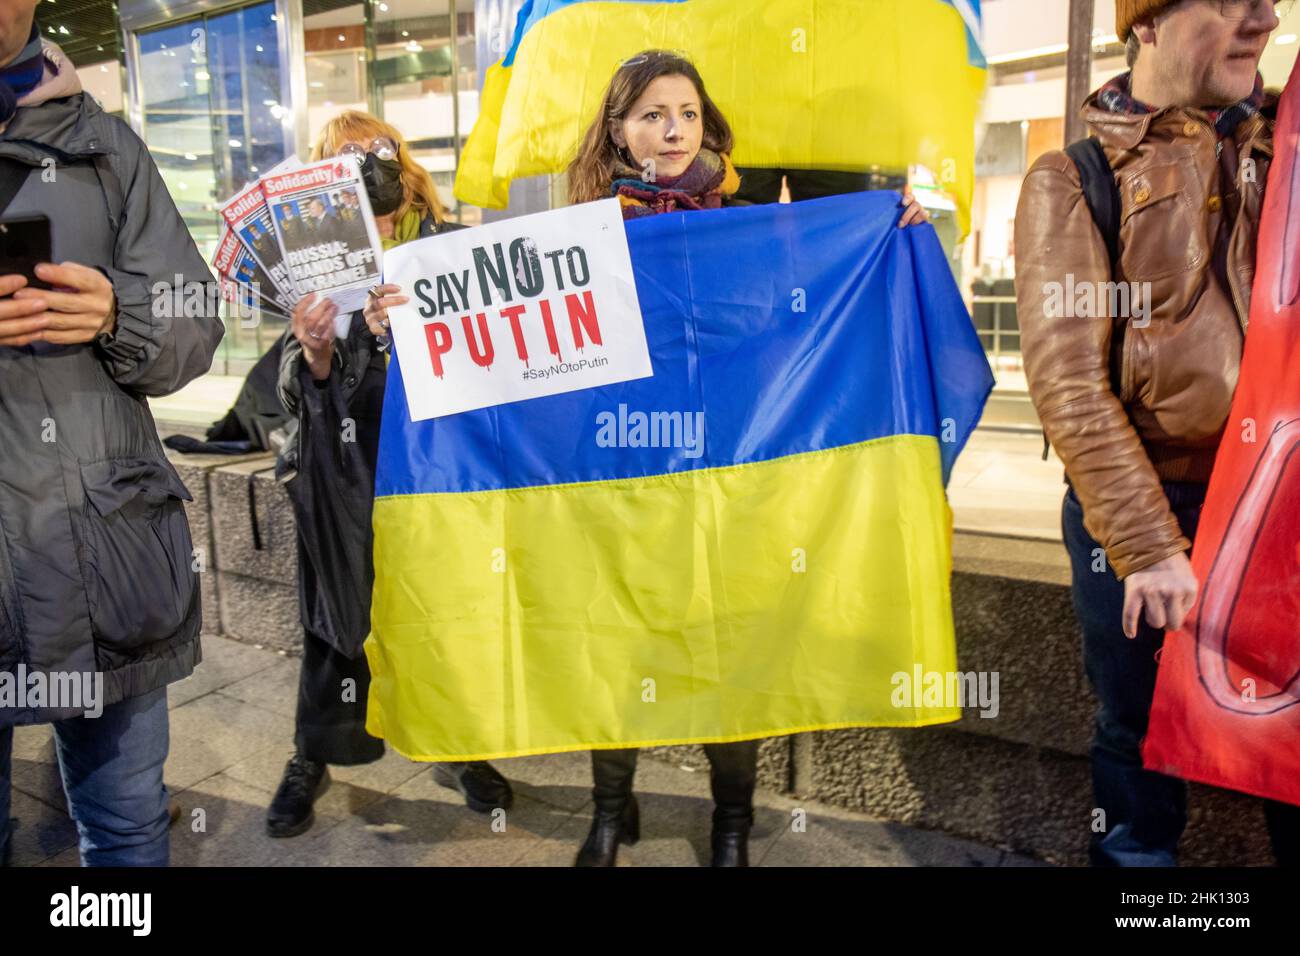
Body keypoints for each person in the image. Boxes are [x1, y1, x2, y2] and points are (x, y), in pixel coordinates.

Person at [562, 49, 926, 867]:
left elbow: (821, 300)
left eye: (688, 113)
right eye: (653, 114)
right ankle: (611, 813)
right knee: (619, 645)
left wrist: (888, 229)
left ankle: (732, 822)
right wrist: (403, 313)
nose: (674, 130)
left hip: (733, 473)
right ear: (618, 130)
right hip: (620, 470)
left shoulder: (752, 219)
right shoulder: (578, 233)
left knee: (732, 647)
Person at [1015, 0, 1300, 866]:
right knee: (1135, 738)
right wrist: (1145, 545)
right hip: (1156, 505)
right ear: (1145, 21)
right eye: (1229, 0)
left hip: (1279, 503)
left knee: (1293, 741)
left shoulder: (1286, 147)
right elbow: (1070, 385)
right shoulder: (1074, 177)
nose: (1263, 19)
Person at [0, 2, 223, 866]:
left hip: (108, 558)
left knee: (127, 828)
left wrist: (118, 312)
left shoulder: (107, 147)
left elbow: (194, 320)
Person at [268, 110, 514, 838]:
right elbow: (289, 386)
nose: (362, 172)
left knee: (444, 610)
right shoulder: (314, 268)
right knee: (335, 619)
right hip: (343, 468)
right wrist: (319, 353)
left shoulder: (447, 247)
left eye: (375, 156)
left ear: (402, 169)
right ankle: (314, 753)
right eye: (342, 162)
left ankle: (457, 746)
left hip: (436, 466)